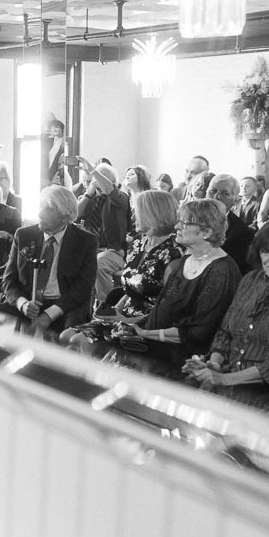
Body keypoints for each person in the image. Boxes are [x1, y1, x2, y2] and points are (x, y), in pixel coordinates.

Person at [79, 199, 240, 378]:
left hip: (182, 354)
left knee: (108, 365)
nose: (177, 226)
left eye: (184, 223)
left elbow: (198, 333)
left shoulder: (221, 272)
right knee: (92, 354)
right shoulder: (185, 262)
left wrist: (144, 332)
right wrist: (128, 323)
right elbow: (160, 313)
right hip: (155, 340)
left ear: (207, 232)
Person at [183, 219, 269, 415]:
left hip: (266, 395)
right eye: (265, 251)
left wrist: (224, 379)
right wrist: (213, 365)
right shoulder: (250, 281)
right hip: (226, 382)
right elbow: (225, 332)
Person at [61, 189, 182, 347]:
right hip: (123, 317)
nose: (132, 217)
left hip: (145, 325)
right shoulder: (138, 244)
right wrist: (113, 312)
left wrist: (125, 320)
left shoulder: (173, 255)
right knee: (65, 336)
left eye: (137, 212)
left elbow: (166, 312)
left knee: (77, 341)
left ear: (153, 215)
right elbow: (131, 291)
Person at [0, 185, 98, 339]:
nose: (39, 213)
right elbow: (8, 280)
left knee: (69, 337)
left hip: (64, 306)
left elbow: (83, 288)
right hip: (27, 301)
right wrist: (23, 304)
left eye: (47, 209)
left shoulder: (85, 242)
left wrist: (49, 315)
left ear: (65, 217)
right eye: (40, 207)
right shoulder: (24, 235)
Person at [72, 161, 130, 299]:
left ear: (110, 181)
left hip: (113, 251)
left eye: (98, 178)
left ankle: (105, 305)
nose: (94, 181)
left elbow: (111, 192)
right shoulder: (88, 198)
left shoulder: (121, 198)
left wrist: (94, 171)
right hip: (89, 250)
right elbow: (74, 215)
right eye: (94, 178)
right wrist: (87, 196)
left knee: (99, 263)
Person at [207, 174, 255, 274]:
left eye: (225, 193)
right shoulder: (191, 221)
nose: (216, 197)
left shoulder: (242, 233)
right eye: (212, 191)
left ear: (235, 200)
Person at [42, 118, 72, 186]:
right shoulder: (48, 142)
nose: (54, 129)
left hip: (57, 173)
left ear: (61, 129)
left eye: (56, 127)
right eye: (52, 128)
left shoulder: (65, 143)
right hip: (46, 172)